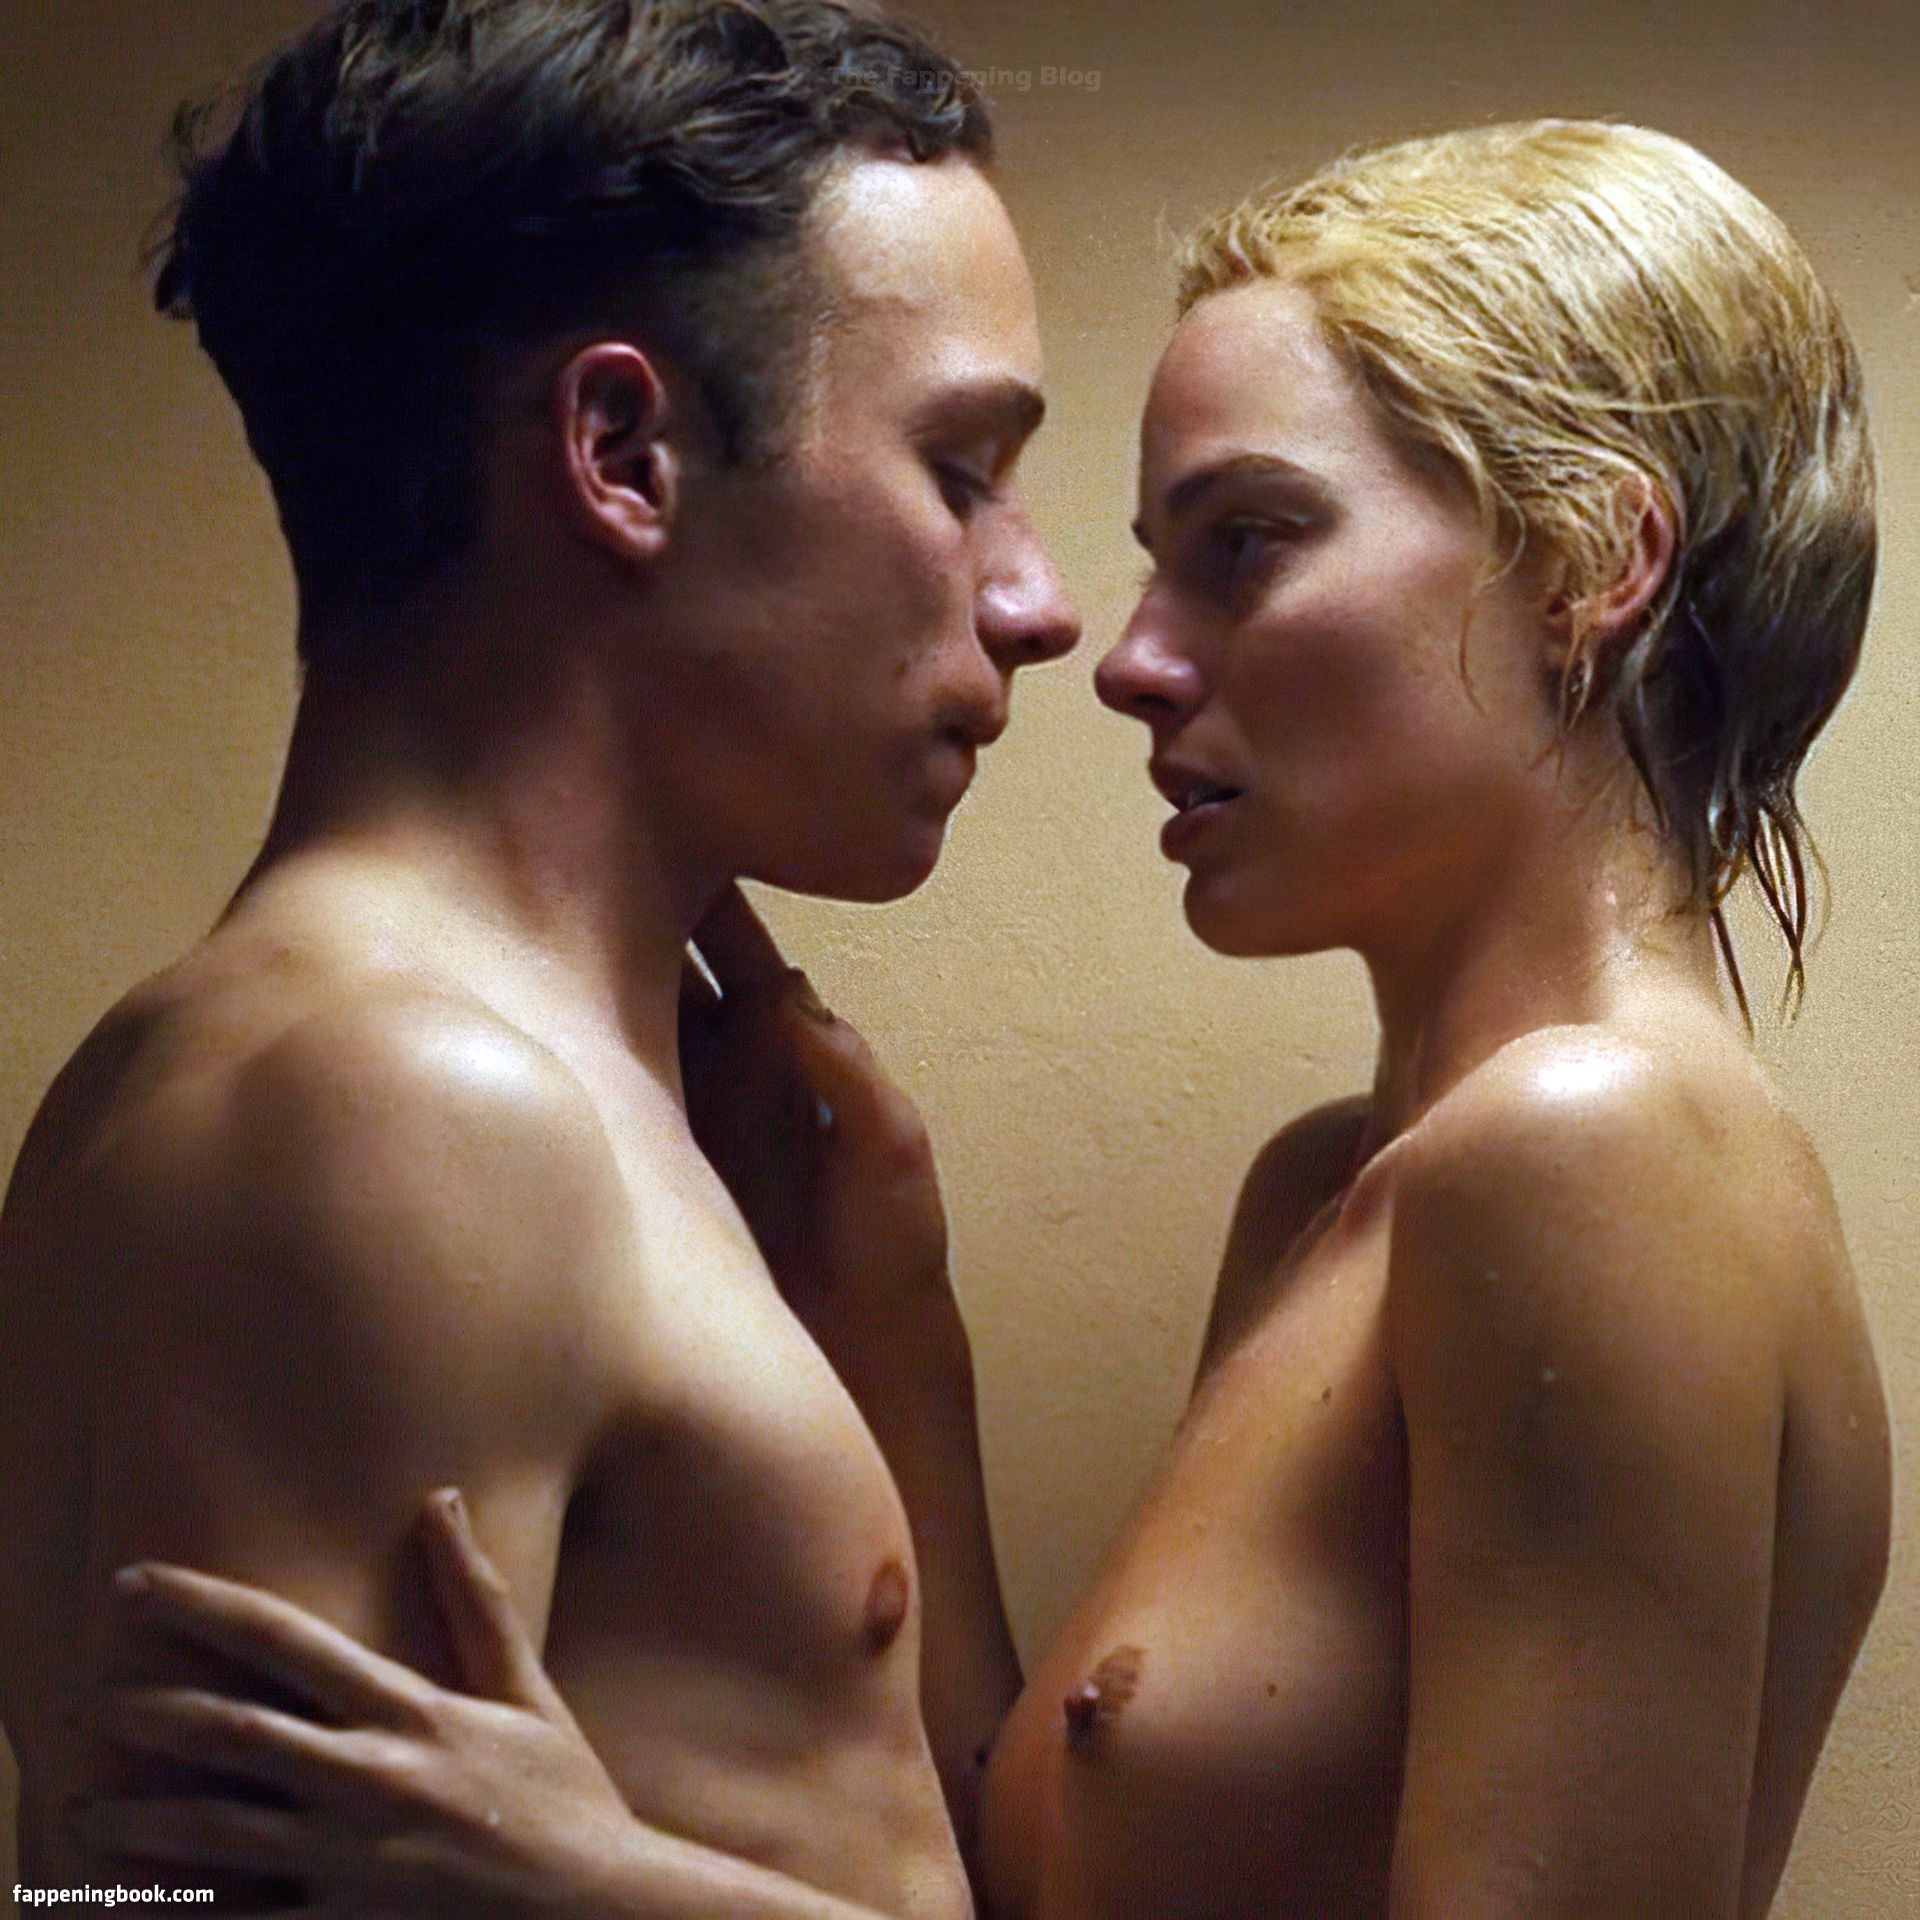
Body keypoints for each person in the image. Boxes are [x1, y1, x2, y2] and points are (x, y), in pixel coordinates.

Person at [74, 120, 1891, 1920]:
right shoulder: (1333, 1191)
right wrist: (902, 1350)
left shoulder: (1593, 1155)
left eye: (1248, 543)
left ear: (1588, 562)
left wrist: (602, 1885)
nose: (1126, 656)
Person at [0, 0, 1081, 1911]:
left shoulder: (445, 1081)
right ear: (623, 452)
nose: (1038, 600)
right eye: (959, 467)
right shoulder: (399, 1111)